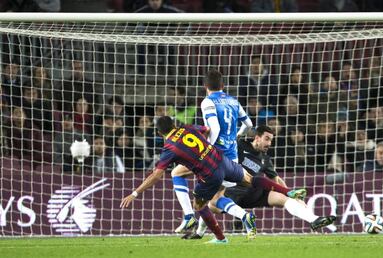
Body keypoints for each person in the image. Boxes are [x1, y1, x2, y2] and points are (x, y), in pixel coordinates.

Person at [120, 116, 306, 244]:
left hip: (210, 173)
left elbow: (157, 175)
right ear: (174, 125)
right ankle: (287, 192)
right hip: (222, 159)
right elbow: (207, 130)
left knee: (201, 206)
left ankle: (220, 235)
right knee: (251, 179)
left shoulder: (169, 147)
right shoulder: (186, 128)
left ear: (160, 133)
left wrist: (135, 193)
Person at [182, 125, 336, 239]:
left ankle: (314, 219)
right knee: (211, 203)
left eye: (271, 140)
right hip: (231, 192)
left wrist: (290, 193)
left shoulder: (265, 159)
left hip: (252, 192)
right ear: (257, 137)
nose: (269, 143)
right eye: (267, 139)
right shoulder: (240, 147)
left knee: (283, 199)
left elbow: (275, 179)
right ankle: (199, 233)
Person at [170, 69, 254, 235]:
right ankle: (243, 216)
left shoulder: (208, 101)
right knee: (215, 200)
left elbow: (214, 127)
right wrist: (236, 136)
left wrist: (208, 150)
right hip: (232, 156)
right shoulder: (234, 101)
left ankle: (188, 217)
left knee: (176, 173)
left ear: (205, 86)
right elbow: (249, 125)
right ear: (223, 85)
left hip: (214, 156)